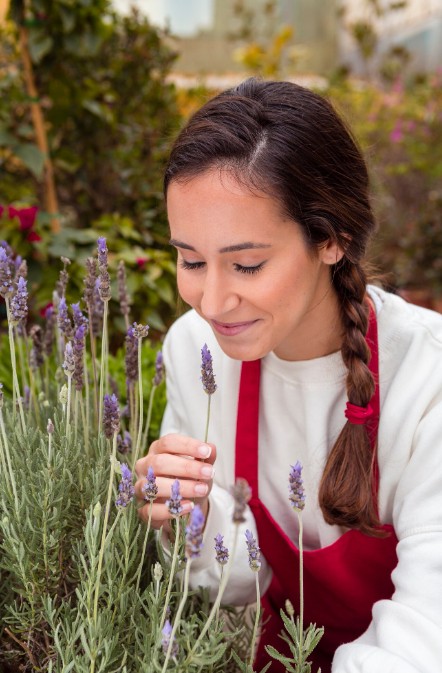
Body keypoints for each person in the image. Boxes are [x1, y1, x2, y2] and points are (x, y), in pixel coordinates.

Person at [134, 78, 442, 673]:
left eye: (247, 264)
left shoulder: (427, 378)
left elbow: (429, 636)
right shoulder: (197, 349)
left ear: (332, 239)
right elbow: (239, 583)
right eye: (191, 260)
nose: (213, 301)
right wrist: (191, 520)